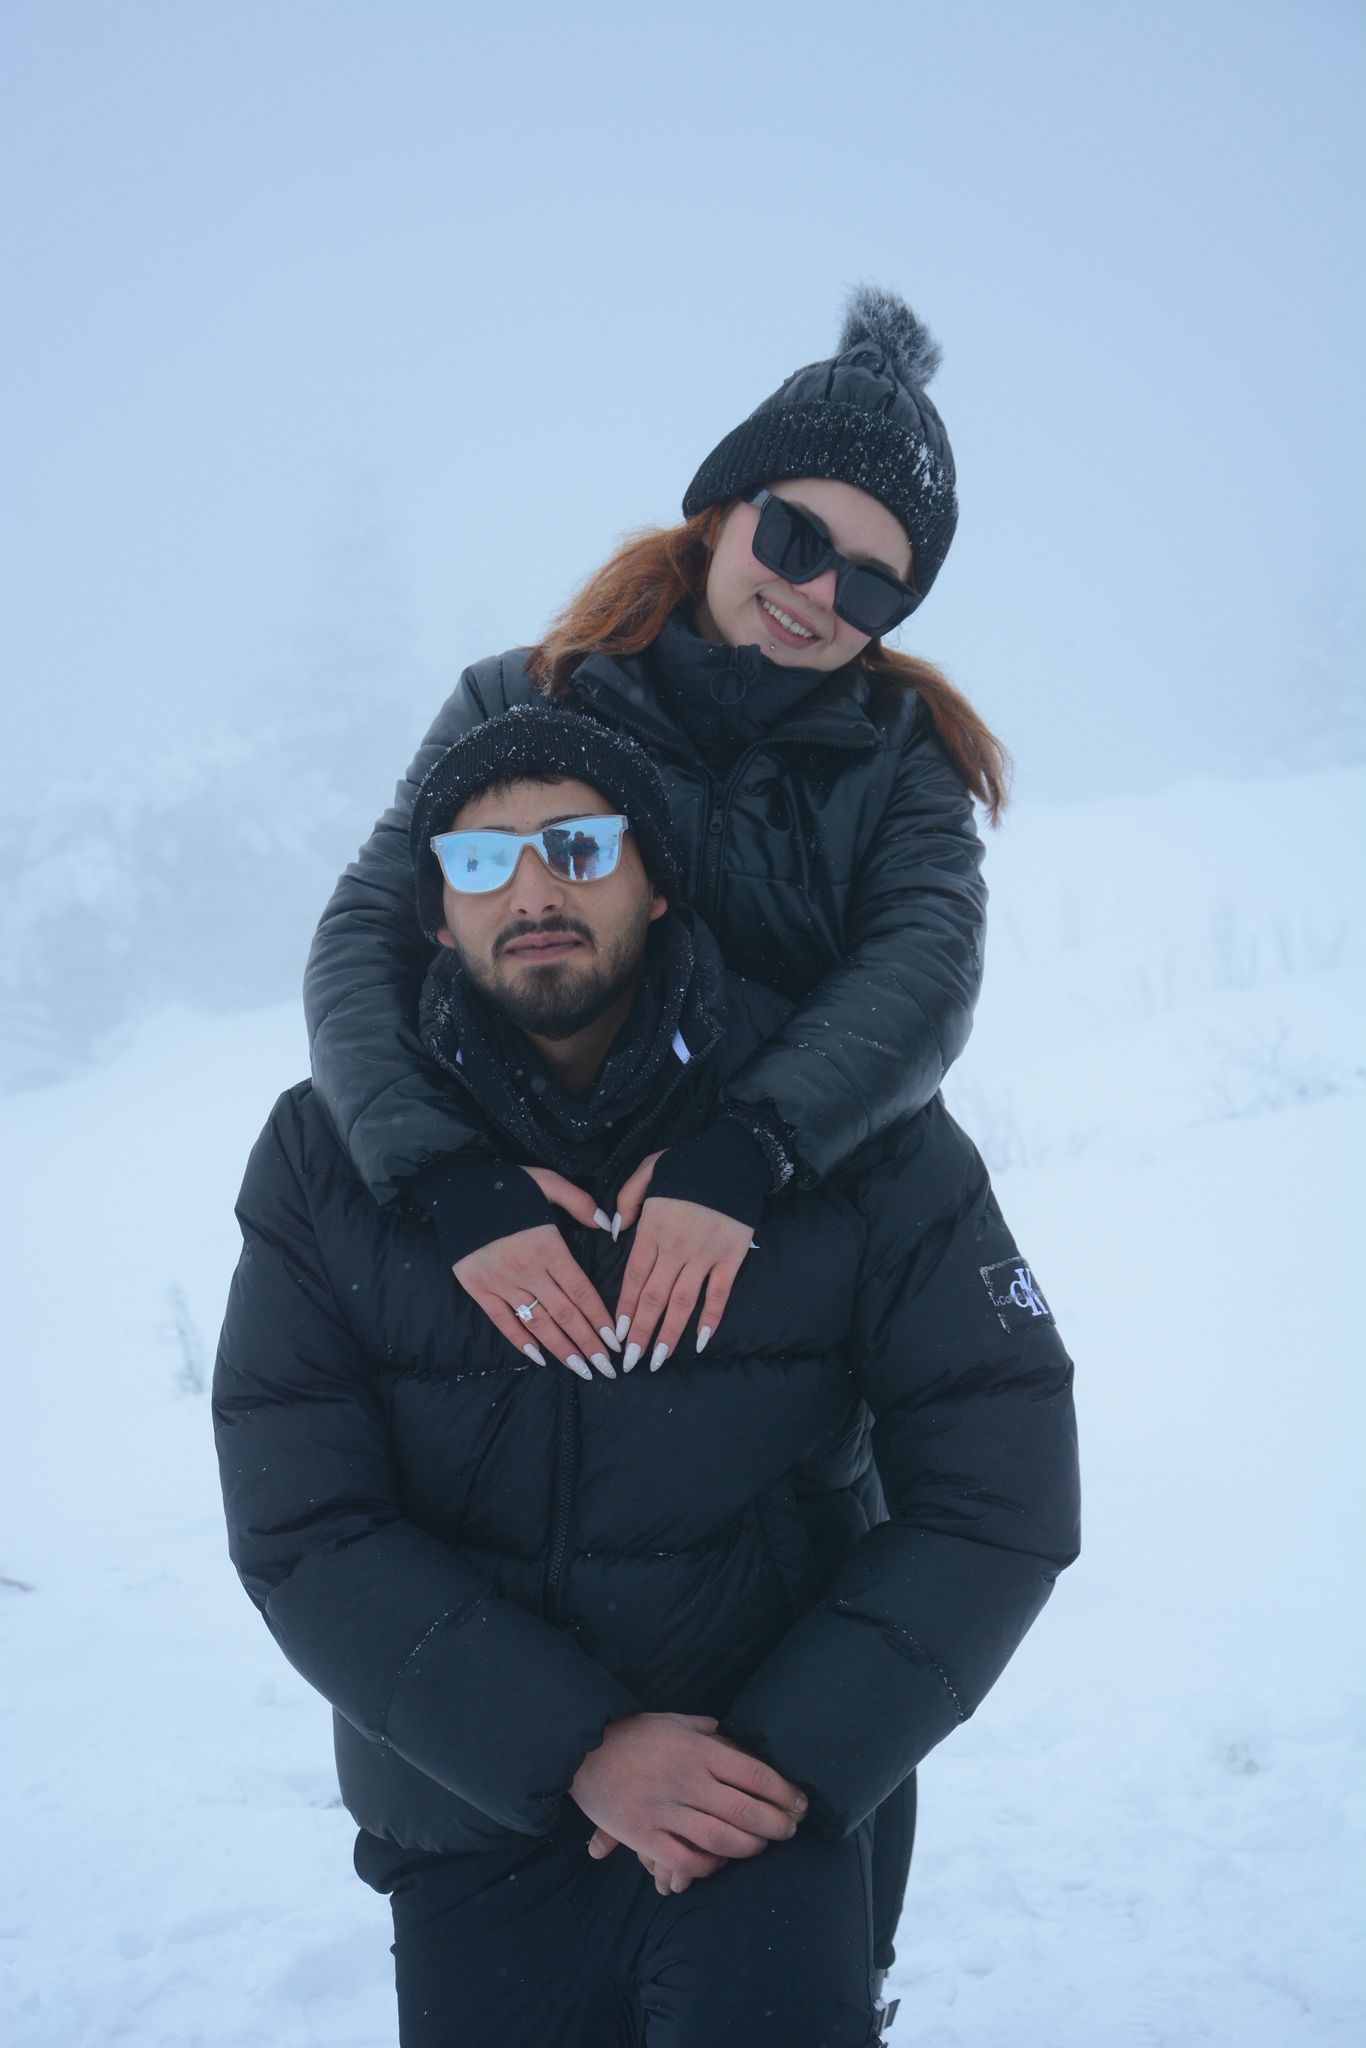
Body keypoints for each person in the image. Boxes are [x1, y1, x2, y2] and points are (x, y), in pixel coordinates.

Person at [305, 283, 997, 1976]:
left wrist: (746, 1153)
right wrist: (446, 1179)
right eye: (794, 536)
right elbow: (364, 946)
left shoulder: (898, 760)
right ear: (722, 507)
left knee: (793, 1899)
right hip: (518, 1312)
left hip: (765, 1313)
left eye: (873, 580)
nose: (816, 592)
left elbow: (920, 974)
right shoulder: (523, 695)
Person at [215, 711, 1080, 2047]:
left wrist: (783, 1761)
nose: (533, 891)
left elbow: (997, 1480)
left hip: (763, 1807)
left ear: (658, 881)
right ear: (435, 914)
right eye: (482, 861)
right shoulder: (325, 1157)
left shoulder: (853, 1132)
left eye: (578, 847)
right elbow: (304, 1520)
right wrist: (573, 1749)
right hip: (469, 1809)